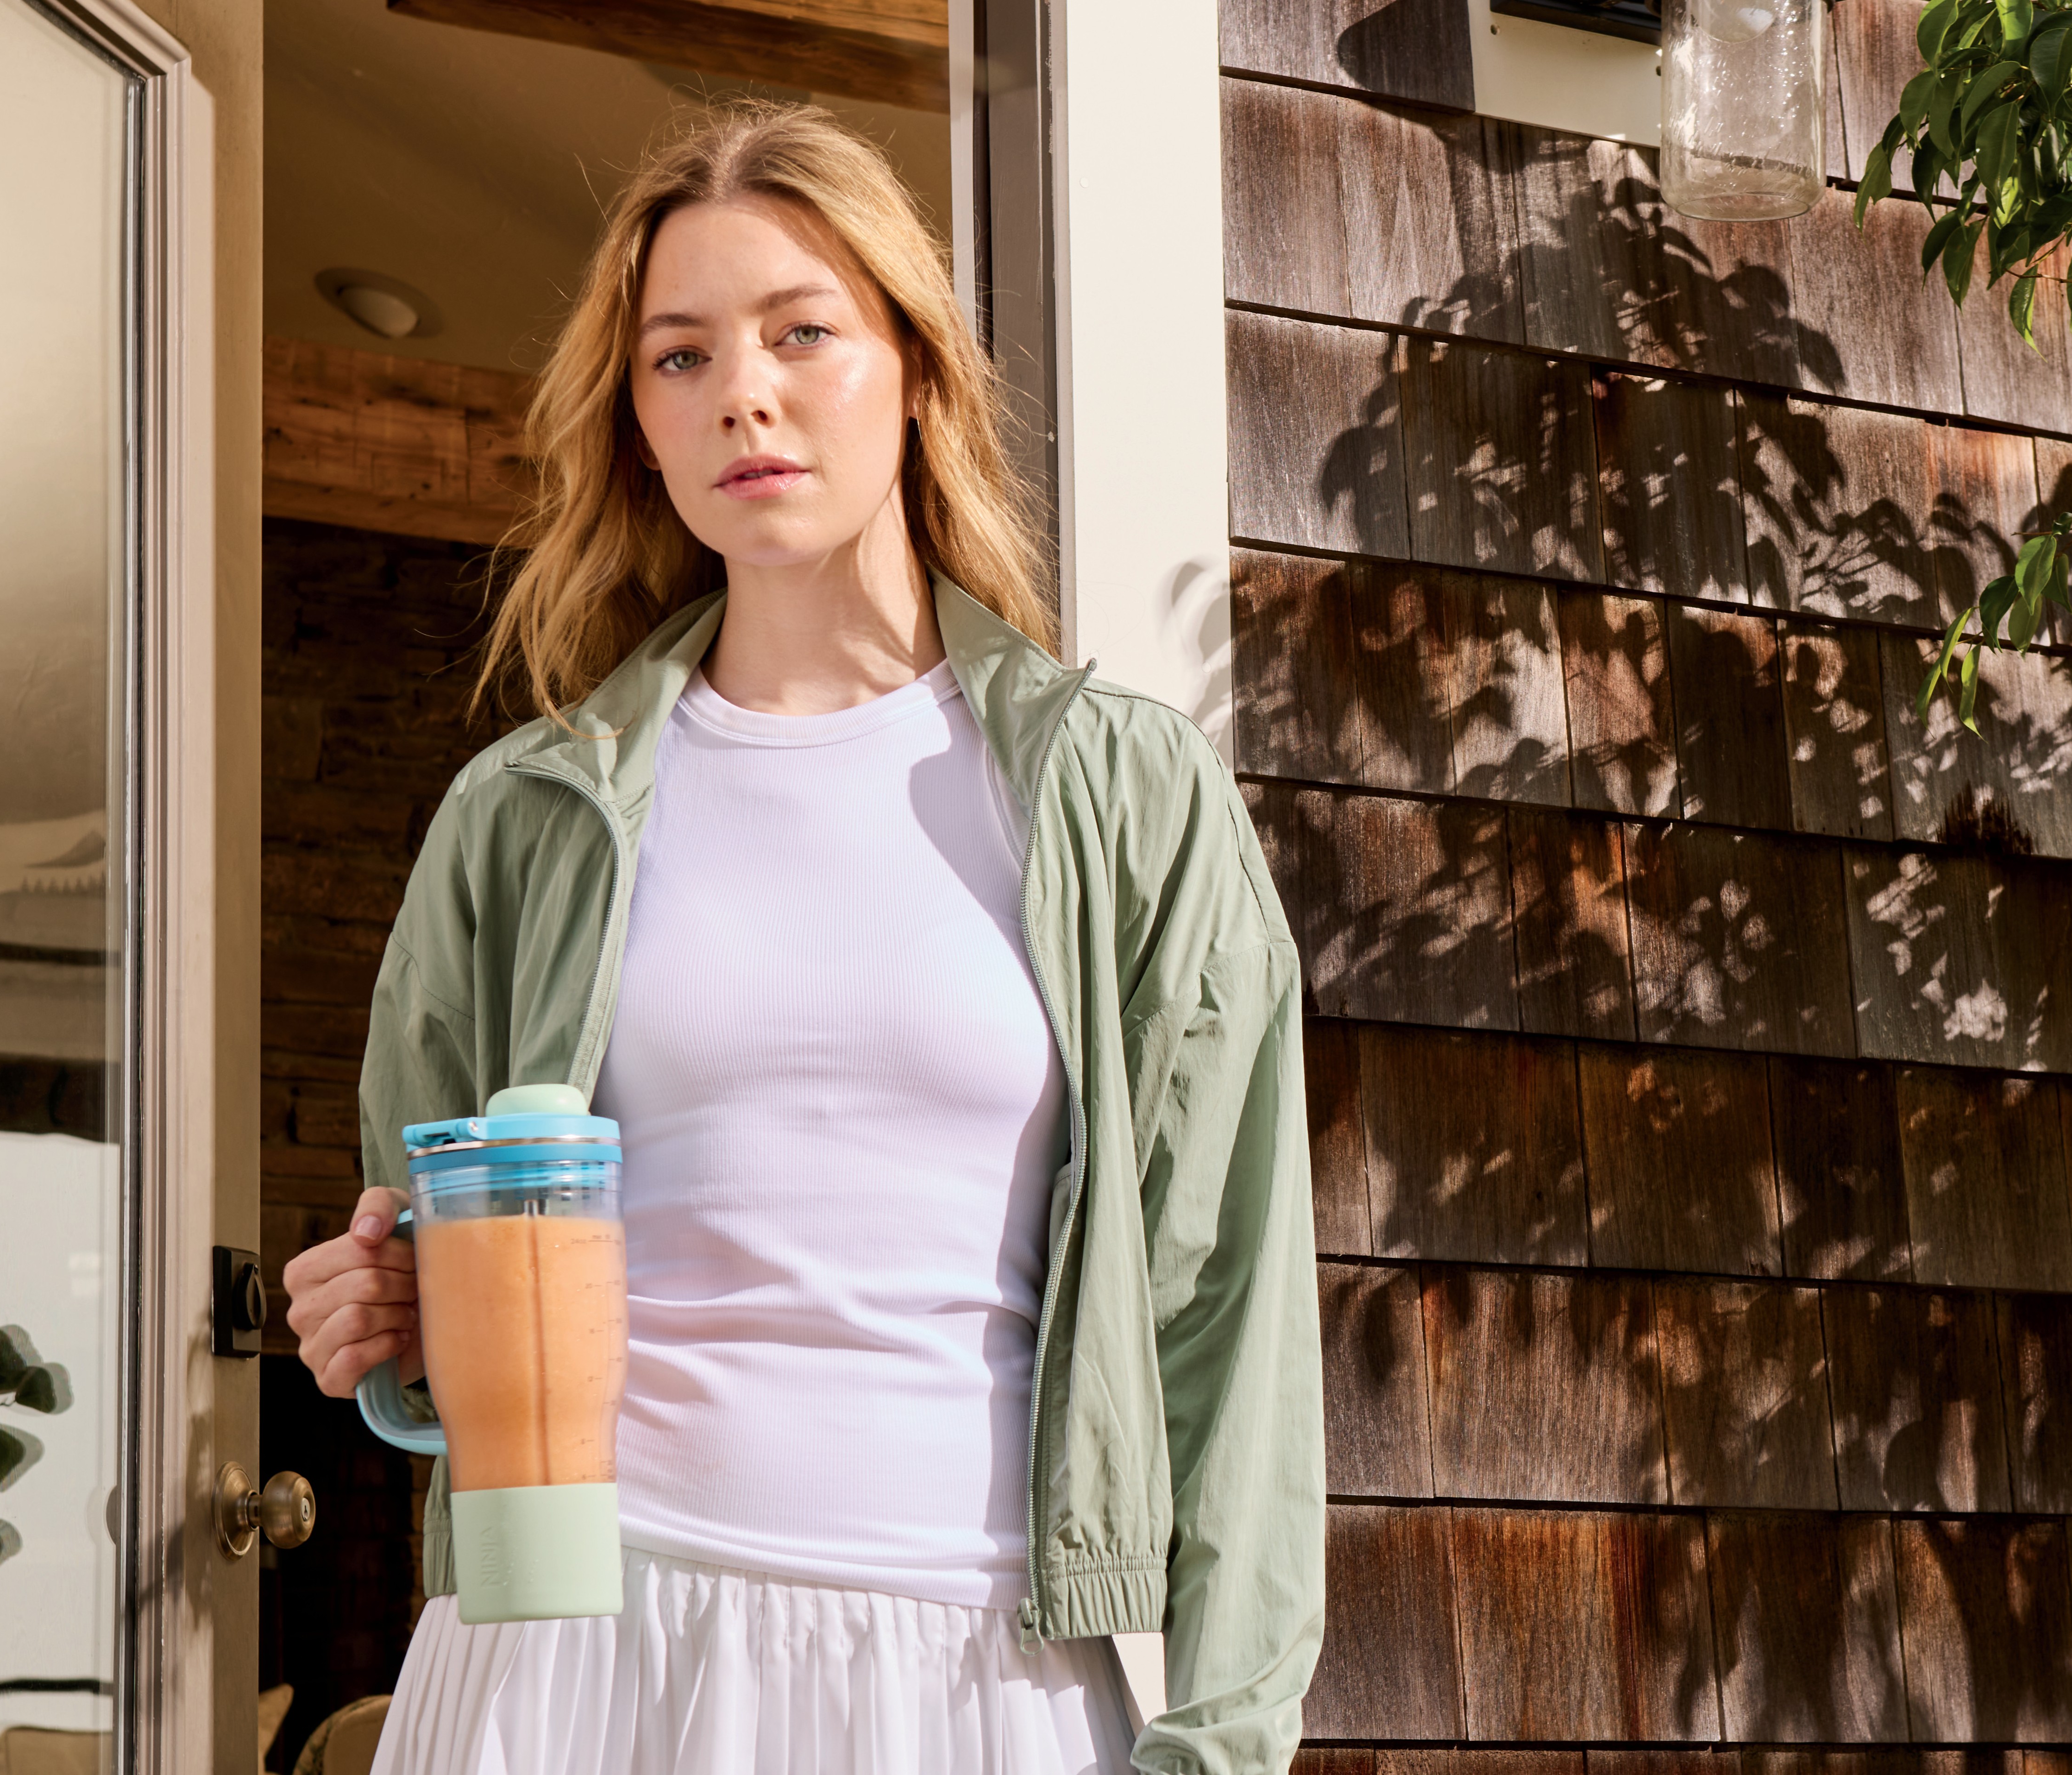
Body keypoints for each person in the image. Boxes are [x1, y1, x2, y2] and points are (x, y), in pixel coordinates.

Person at [277, 100, 1323, 1775]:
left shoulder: (1123, 795)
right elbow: (436, 1261)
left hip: (976, 1673)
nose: (742, 394)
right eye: (680, 357)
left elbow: (1231, 1308)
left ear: (915, 370)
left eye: (802, 333)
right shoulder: (522, 815)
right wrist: (385, 1323)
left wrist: (1227, 1738)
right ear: (638, 424)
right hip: (571, 1661)